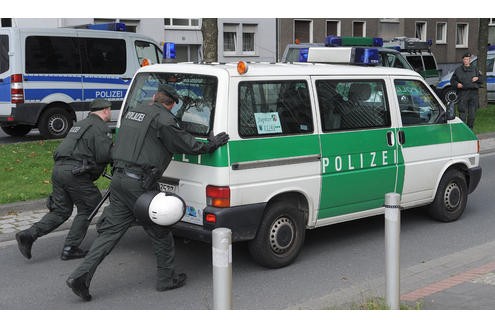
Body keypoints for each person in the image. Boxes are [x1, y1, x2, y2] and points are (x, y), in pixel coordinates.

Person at [66, 83, 229, 301]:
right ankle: (166, 279)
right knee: (161, 230)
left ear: (155, 97)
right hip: (140, 184)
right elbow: (188, 145)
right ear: (170, 104)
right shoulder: (164, 119)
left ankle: (80, 275)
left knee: (110, 233)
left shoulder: (134, 112)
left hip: (119, 180)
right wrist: (211, 144)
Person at [15, 99, 113, 260]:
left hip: (59, 170)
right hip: (76, 173)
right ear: (105, 111)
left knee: (61, 210)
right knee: (90, 206)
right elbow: (104, 154)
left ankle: (29, 235)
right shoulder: (100, 127)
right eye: (109, 110)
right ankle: (70, 247)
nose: (109, 112)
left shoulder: (80, 124)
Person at [450, 52, 483, 129]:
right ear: (463, 60)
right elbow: (452, 81)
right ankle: (463, 129)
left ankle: (470, 129)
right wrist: (457, 84)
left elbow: (482, 79)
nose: (466, 61)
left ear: (470, 60)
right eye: (464, 59)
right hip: (463, 93)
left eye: (467, 59)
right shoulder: (458, 70)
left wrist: (478, 78)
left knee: (472, 114)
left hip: (473, 93)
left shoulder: (475, 69)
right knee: (462, 113)